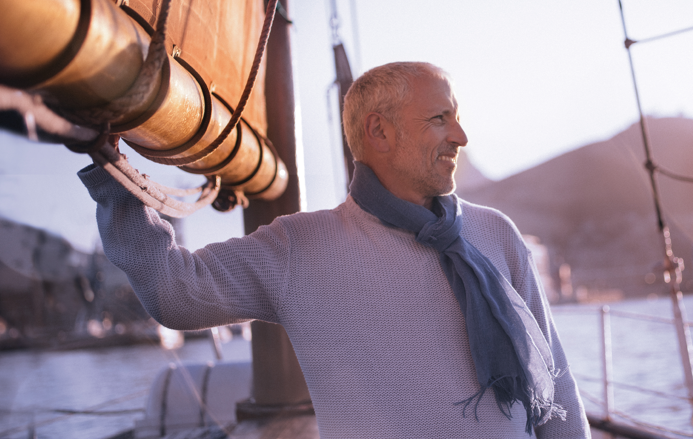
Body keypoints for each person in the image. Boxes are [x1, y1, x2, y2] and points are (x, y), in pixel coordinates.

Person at [80, 61, 591, 438]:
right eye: (440, 118)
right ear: (379, 132)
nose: (460, 135)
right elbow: (176, 293)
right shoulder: (300, 249)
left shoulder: (495, 233)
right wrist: (113, 174)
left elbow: (558, 390)